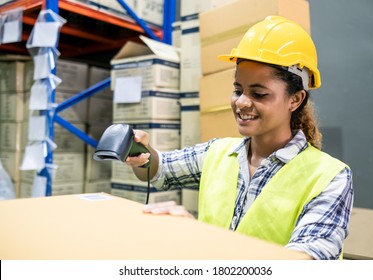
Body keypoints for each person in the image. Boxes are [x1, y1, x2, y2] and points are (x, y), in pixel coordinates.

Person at [125, 16, 354, 260]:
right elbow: (160, 169)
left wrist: (199, 238)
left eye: (259, 93)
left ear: (295, 100)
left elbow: (304, 262)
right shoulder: (218, 152)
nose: (241, 102)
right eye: (237, 90)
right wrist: (141, 151)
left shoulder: (330, 177)